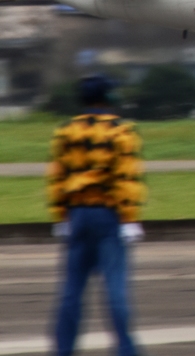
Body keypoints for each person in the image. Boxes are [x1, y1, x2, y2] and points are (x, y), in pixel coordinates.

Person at [48, 75, 147, 356]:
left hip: (76, 214)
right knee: (115, 291)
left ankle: (63, 350)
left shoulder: (66, 131)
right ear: (107, 97)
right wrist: (130, 218)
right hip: (108, 215)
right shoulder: (121, 131)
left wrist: (60, 216)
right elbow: (126, 177)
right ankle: (126, 350)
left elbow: (57, 177)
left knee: (71, 293)